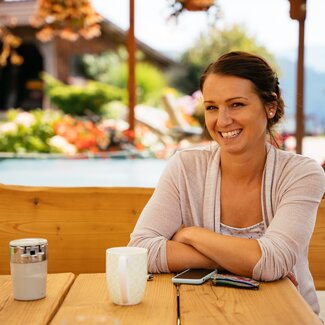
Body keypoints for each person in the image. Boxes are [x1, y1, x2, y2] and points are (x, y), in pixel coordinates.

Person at [128, 51, 325, 315]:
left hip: (286, 315)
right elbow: (140, 249)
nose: (222, 121)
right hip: (207, 314)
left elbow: (275, 260)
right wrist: (248, 260)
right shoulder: (185, 167)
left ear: (271, 106)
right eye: (212, 107)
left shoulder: (302, 173)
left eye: (236, 104)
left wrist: (191, 236)